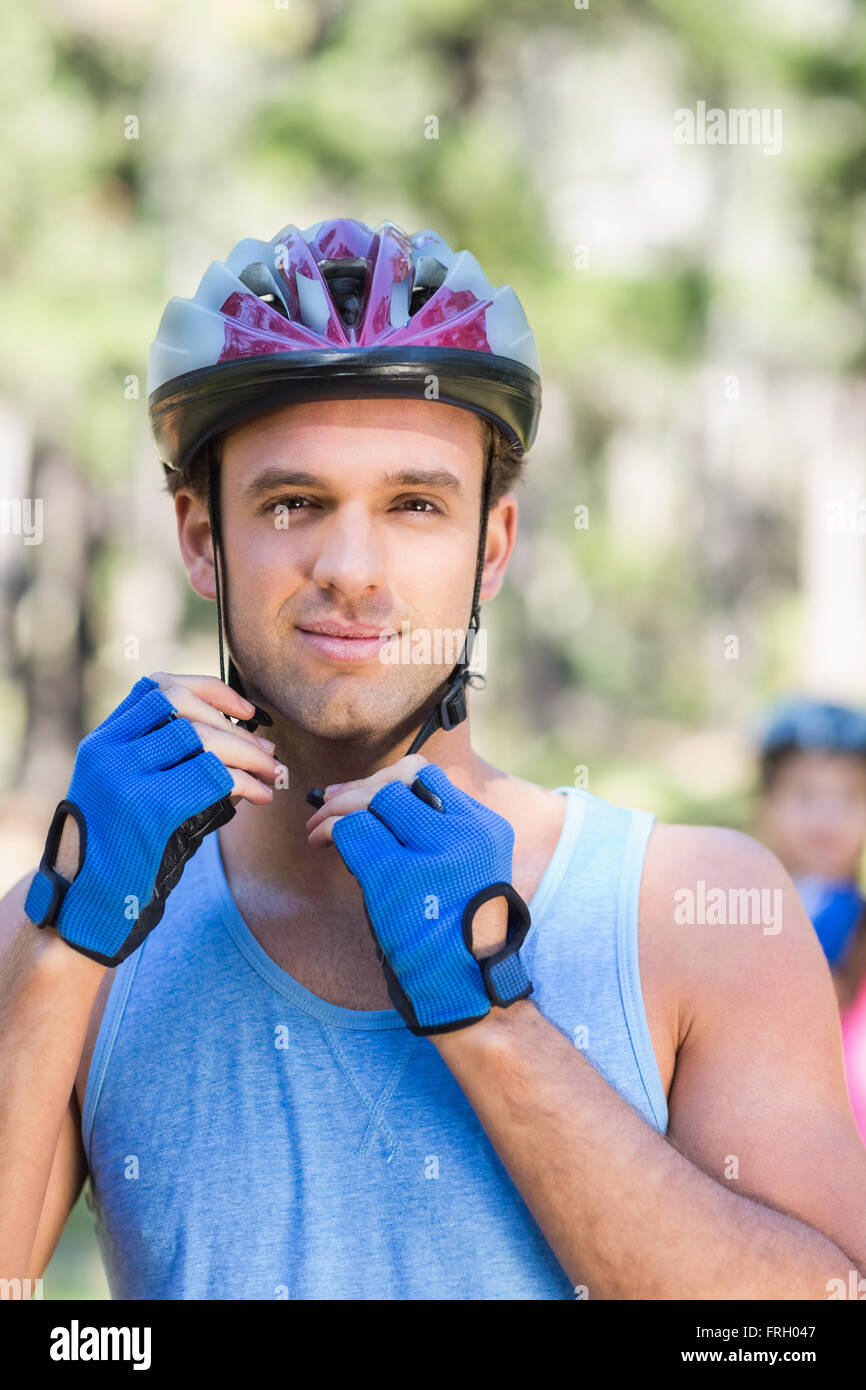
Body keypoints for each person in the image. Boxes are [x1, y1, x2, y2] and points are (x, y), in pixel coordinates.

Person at [2, 217, 865, 1301]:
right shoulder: (63, 926)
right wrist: (67, 939)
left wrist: (494, 1017)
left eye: (414, 504)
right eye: (291, 503)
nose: (352, 569)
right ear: (199, 538)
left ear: (491, 546)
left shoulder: (696, 910)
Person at [757, 697, 866, 1141]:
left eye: (850, 798)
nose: (827, 816)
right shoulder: (740, 908)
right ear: (766, 806)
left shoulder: (854, 917)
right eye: (805, 796)